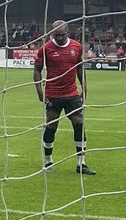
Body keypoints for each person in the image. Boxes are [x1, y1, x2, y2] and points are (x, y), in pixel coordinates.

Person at [33, 21, 94, 175]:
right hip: (53, 94)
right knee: (51, 126)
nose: (59, 38)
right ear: (52, 34)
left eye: (62, 35)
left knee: (79, 122)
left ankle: (81, 164)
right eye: (56, 35)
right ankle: (48, 162)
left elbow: (80, 67)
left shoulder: (77, 47)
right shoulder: (45, 49)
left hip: (71, 94)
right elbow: (37, 70)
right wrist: (40, 91)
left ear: (68, 32)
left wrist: (84, 86)